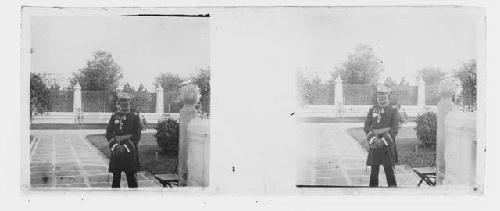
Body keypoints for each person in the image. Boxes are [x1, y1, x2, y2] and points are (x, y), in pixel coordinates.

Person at [364, 85, 399, 187]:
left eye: (384, 94)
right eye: (380, 94)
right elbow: (366, 126)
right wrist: (373, 140)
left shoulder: (393, 110)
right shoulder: (372, 109)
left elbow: (394, 129)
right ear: (377, 95)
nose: (381, 96)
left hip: (387, 145)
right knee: (374, 172)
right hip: (375, 144)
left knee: (389, 171)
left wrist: (383, 141)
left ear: (388, 95)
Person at [106, 92, 142, 188]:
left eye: (126, 101)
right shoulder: (114, 117)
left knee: (132, 180)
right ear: (119, 103)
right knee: (115, 180)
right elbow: (108, 133)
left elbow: (137, 136)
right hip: (116, 151)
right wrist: (115, 146)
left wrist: (125, 147)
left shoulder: (135, 117)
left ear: (129, 103)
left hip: (130, 152)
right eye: (122, 101)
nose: (124, 103)